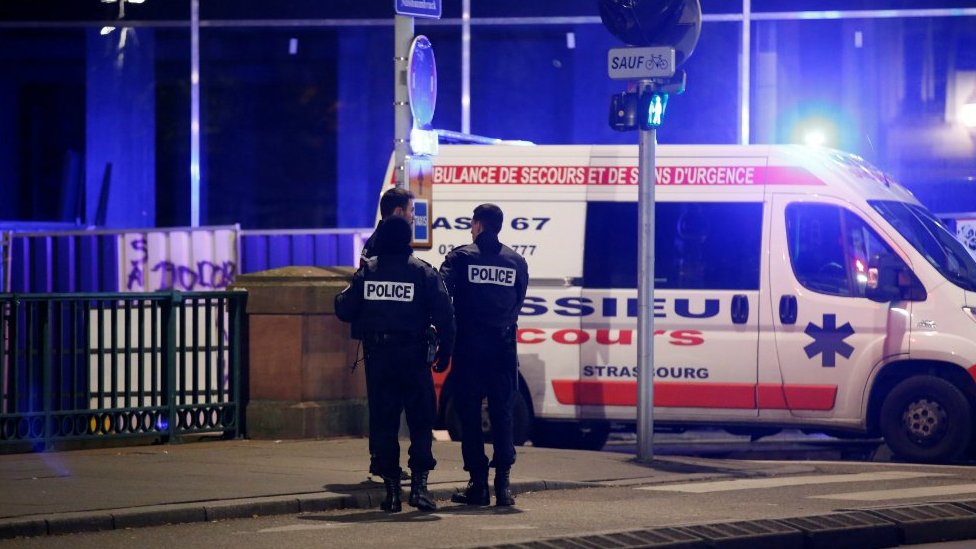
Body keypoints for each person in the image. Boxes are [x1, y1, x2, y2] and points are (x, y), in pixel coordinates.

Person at [334, 216, 455, 513]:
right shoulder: (423, 272)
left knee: (384, 422)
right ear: (407, 239)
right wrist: (445, 353)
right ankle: (419, 489)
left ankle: (391, 494)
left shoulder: (369, 273)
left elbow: (344, 309)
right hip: (414, 355)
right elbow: (445, 315)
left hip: (380, 357)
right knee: (421, 420)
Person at [439, 203, 529, 507]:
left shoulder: (460, 258)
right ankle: (503, 486)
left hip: (469, 347)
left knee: (469, 414)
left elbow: (442, 296)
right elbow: (518, 301)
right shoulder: (516, 261)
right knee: (502, 413)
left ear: (477, 225)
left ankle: (478, 485)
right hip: (503, 348)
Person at [361, 187, 415, 263]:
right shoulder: (390, 245)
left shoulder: (375, 241)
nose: (413, 217)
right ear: (398, 212)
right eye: (411, 210)